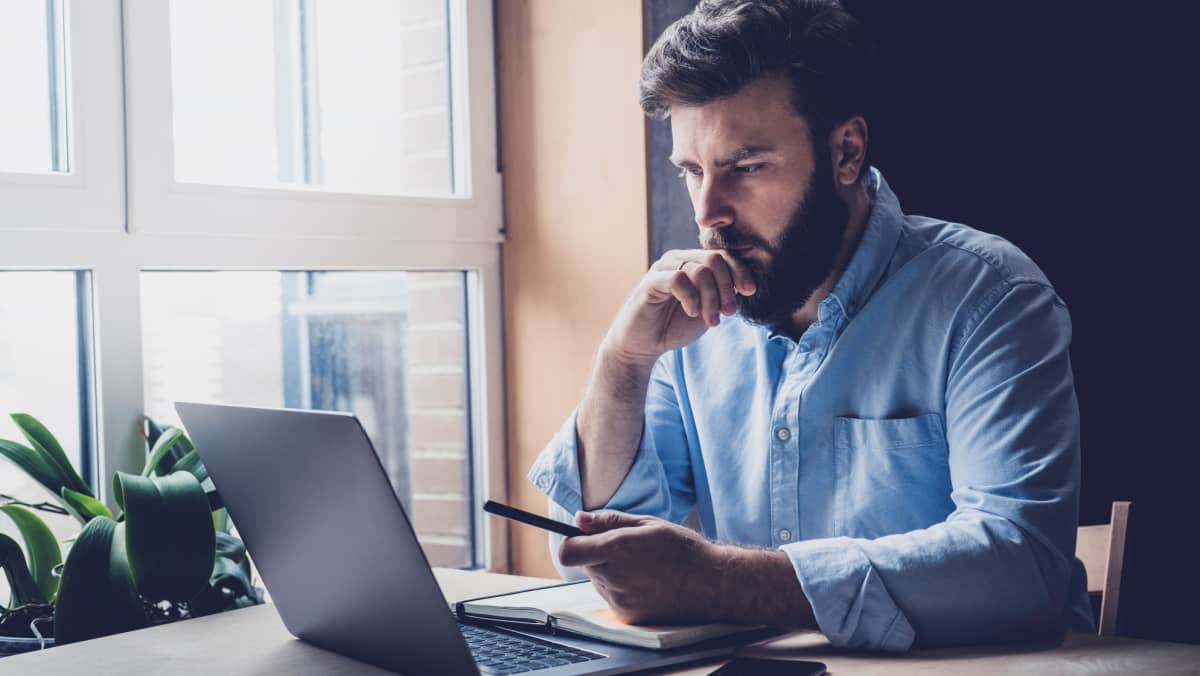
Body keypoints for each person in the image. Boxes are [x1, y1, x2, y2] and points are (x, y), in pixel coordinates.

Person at [526, 0, 1093, 651]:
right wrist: (622, 364)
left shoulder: (989, 297)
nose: (709, 211)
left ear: (846, 151)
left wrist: (721, 582)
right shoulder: (690, 326)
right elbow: (602, 555)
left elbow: (1020, 567)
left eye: (745, 167)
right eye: (692, 171)